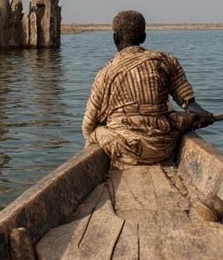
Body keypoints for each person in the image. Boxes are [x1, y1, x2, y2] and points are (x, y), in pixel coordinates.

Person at [82, 11, 214, 166]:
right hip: (163, 146)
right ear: (143, 37)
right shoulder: (165, 61)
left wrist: (92, 137)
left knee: (95, 133)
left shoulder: (105, 73)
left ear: (115, 38)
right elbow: (189, 103)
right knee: (176, 117)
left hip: (125, 149)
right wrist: (201, 115)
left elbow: (89, 124)